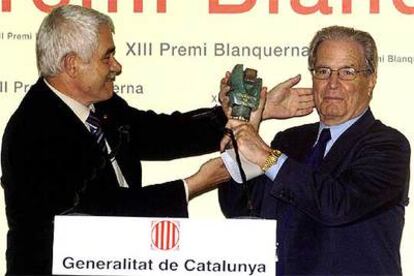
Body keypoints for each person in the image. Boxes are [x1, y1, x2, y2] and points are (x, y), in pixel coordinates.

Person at [0, 5, 315, 275]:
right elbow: (94, 213)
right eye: (107, 57)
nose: (117, 67)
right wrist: (191, 186)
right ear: (72, 64)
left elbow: (161, 134)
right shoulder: (33, 130)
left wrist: (238, 114)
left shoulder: (102, 106)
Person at [219, 25, 411, 276]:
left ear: (371, 79)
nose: (332, 84)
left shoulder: (388, 145)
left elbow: (336, 205)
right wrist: (244, 126)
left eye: (347, 72)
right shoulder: (289, 140)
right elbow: (240, 209)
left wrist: (265, 156)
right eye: (323, 71)